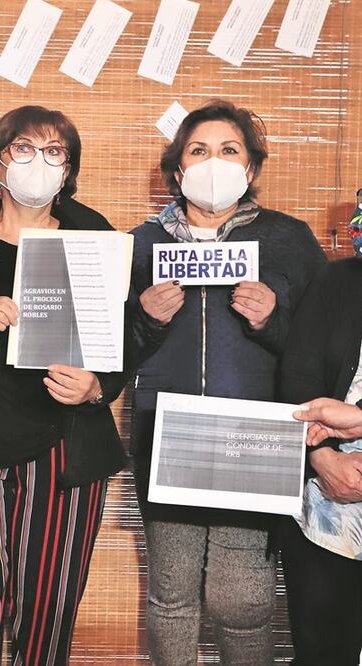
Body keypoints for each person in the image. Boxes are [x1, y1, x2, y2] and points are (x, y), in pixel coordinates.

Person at [0, 106, 128, 666]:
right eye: (25, 148)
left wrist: (97, 386)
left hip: (64, 447)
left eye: (55, 151)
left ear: (68, 171)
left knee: (49, 610)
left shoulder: (94, 235)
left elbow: (123, 338)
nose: (41, 161)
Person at [128, 99, 325, 665]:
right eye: (199, 150)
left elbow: (324, 350)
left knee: (241, 600)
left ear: (251, 168)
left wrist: (272, 321)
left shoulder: (289, 239)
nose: (214, 162)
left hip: (256, 439)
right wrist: (144, 317)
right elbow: (109, 354)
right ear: (177, 170)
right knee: (171, 598)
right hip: (167, 438)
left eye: (229, 149)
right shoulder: (140, 244)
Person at [279, 252, 362, 665]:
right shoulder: (336, 280)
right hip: (328, 502)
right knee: (323, 650)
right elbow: (298, 375)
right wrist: (320, 457)